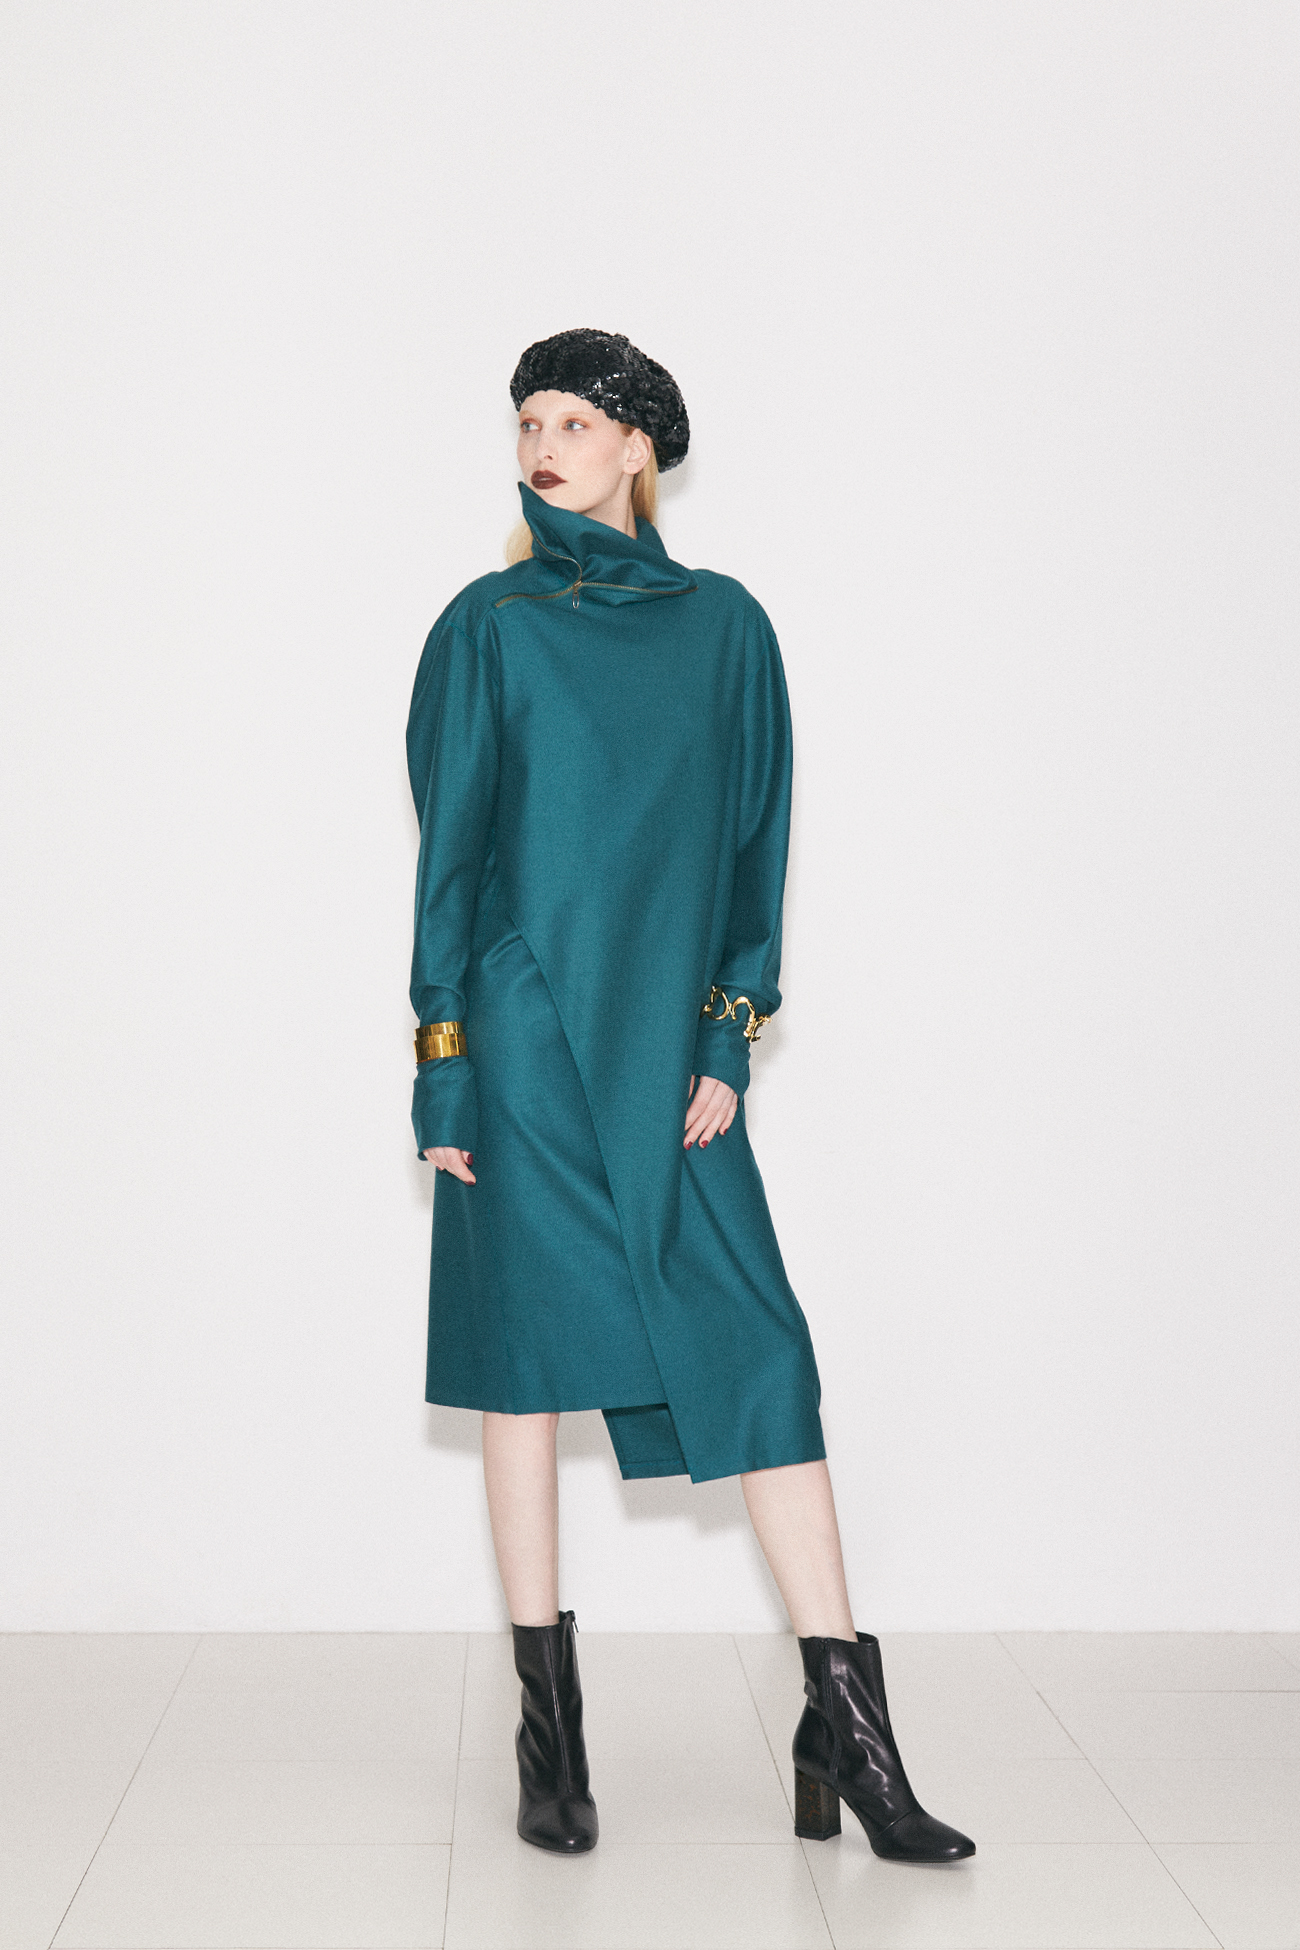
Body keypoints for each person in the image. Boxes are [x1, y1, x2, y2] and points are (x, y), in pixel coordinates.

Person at [407, 328, 974, 1865]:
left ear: (640, 445)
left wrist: (728, 1035)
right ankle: (551, 1737)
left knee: (763, 1353)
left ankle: (849, 1727)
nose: (542, 446)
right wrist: (444, 1063)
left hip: (668, 1059)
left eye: (572, 421)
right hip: (527, 1047)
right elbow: (450, 861)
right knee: (527, 1368)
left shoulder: (728, 628)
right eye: (526, 422)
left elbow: (751, 847)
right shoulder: (488, 627)